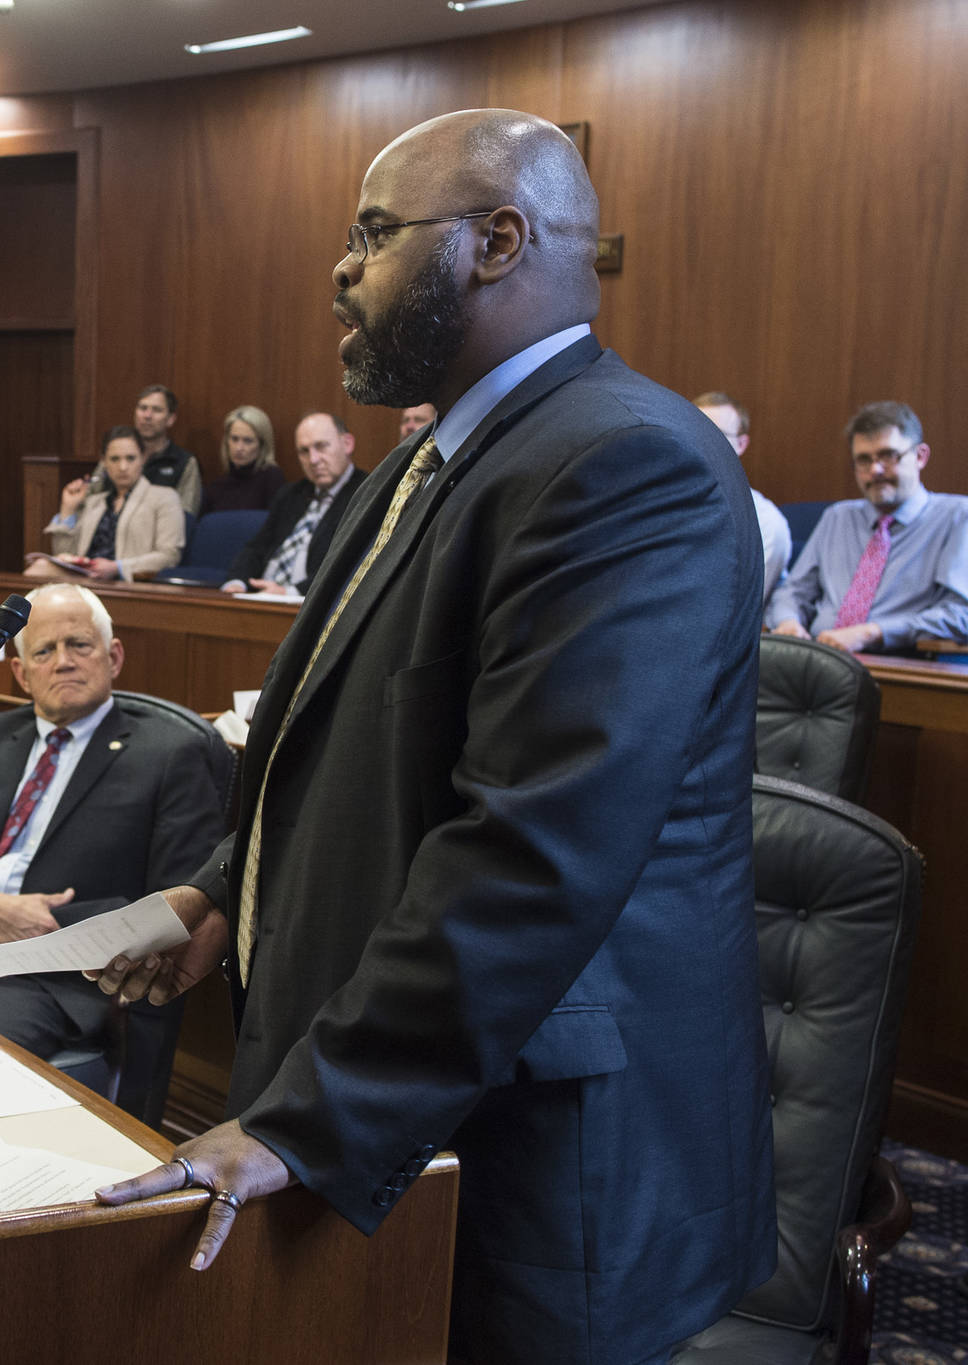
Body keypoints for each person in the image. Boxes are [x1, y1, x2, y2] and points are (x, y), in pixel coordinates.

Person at [94, 110, 773, 1365]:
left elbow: (534, 845)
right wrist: (216, 896)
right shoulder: (414, 466)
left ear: (496, 242)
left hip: (531, 1149)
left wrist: (315, 1116)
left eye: (369, 236)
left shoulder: (626, 466)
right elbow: (332, 747)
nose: (338, 272)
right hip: (405, 1100)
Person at [0, 584, 223, 1058]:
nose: (63, 661)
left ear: (113, 657)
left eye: (79, 645)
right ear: (21, 673)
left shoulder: (171, 754)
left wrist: (37, 931)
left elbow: (174, 903)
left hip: (46, 981)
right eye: (44, 651)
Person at [768, 401, 968, 652]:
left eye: (888, 456)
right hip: (817, 659)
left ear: (920, 456)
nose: (875, 470)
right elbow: (793, 592)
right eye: (863, 460)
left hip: (902, 665)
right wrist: (789, 622)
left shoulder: (958, 517)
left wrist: (874, 632)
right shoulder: (838, 517)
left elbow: (961, 615)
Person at [220, 411, 366, 595]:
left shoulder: (367, 494)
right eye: (304, 451)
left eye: (321, 447)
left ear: (347, 444)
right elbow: (258, 547)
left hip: (310, 605)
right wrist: (237, 582)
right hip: (262, 596)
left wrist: (289, 592)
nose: (313, 460)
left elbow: (350, 564)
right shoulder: (291, 494)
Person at [30, 426, 185, 582]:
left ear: (143, 458)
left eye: (130, 458)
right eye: (114, 459)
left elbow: (169, 556)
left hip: (129, 582)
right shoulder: (95, 502)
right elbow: (64, 554)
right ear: (104, 462)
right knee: (40, 568)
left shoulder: (164, 497)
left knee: (40, 569)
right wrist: (68, 509)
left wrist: (117, 567)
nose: (123, 467)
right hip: (86, 579)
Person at [696, 391, 790, 608]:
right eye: (696, 432)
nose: (703, 445)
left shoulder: (766, 523)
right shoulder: (663, 504)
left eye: (717, 435)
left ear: (741, 444)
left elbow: (734, 607)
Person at [199, 405, 288, 514]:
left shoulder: (272, 478)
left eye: (248, 441)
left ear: (262, 445)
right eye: (234, 439)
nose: (239, 448)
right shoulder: (216, 487)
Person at [133, 385, 202, 515]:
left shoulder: (185, 463)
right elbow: (92, 499)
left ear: (170, 419)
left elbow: (186, 516)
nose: (147, 415)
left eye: (157, 410)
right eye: (143, 408)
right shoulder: (117, 454)